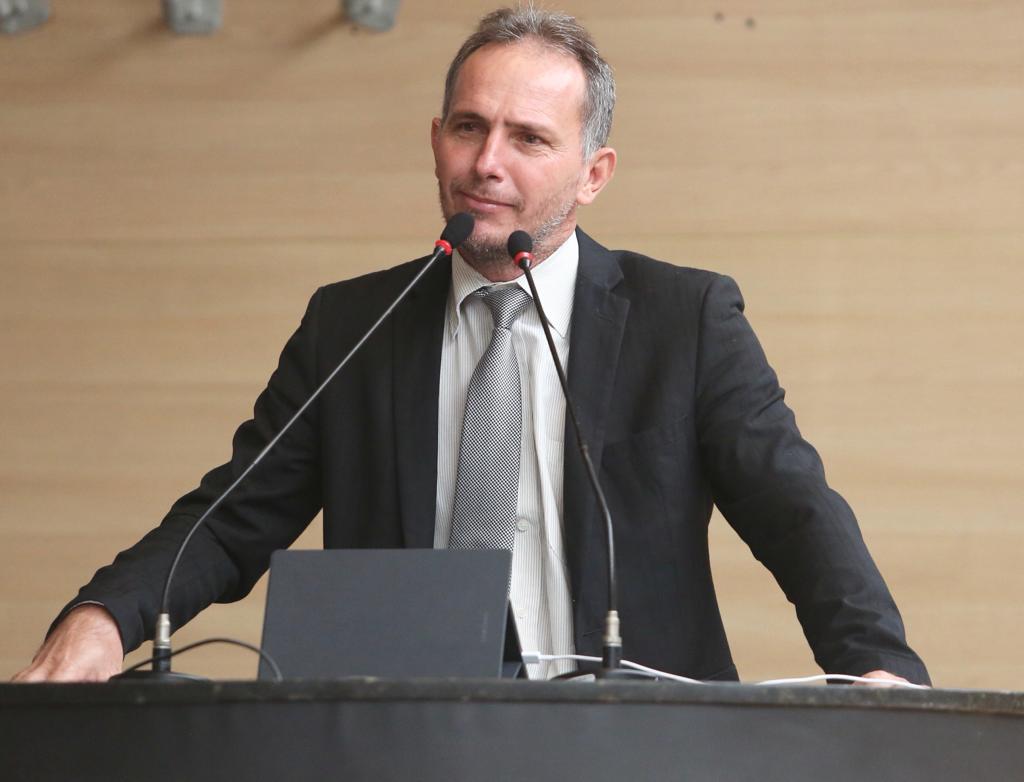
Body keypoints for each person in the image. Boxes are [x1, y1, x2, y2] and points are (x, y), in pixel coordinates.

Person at [15, 7, 928, 684]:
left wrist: (879, 668)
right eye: (468, 127)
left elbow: (795, 512)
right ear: (437, 140)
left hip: (638, 739)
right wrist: (105, 616)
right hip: (403, 742)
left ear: (593, 173)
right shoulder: (351, 326)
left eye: (529, 138)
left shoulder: (681, 318)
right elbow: (229, 518)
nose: (487, 162)